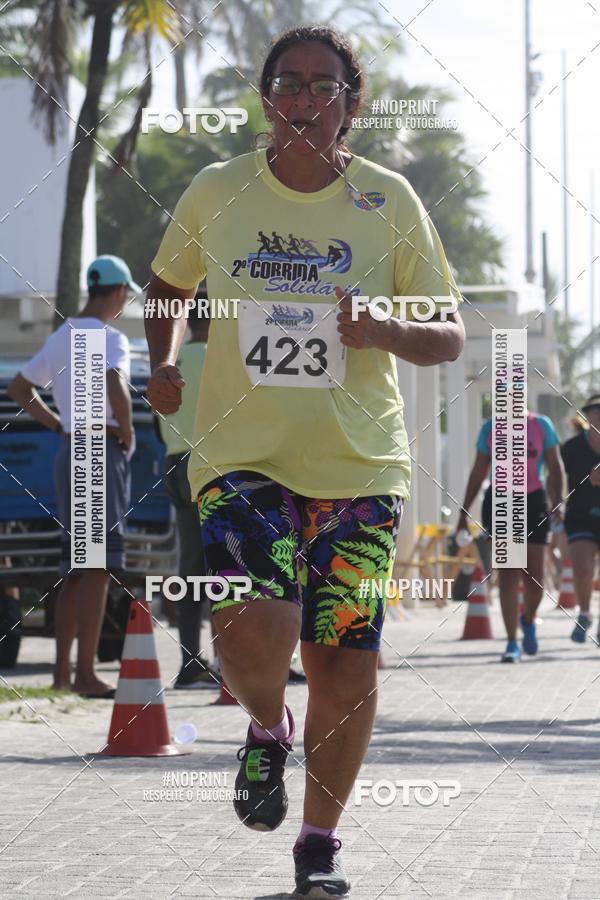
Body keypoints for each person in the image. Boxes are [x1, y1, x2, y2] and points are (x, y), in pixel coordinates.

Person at [145, 25, 464, 897]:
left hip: (359, 465)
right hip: (242, 454)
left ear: (350, 105)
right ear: (265, 96)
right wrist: (163, 362)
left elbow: (448, 335)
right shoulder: (218, 190)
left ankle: (318, 846)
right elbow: (168, 288)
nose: (305, 99)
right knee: (253, 631)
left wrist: (380, 329)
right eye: (289, 83)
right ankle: (265, 724)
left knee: (344, 660)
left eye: (325, 87)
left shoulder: (388, 200)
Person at [7, 255, 138, 697]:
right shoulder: (110, 337)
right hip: (101, 446)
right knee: (97, 567)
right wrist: (128, 429)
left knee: (75, 567)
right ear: (118, 292)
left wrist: (59, 424)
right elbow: (115, 383)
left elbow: (19, 389)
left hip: (71, 447)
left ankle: (62, 674)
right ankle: (86, 675)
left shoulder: (62, 336)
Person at [457, 409, 563, 663]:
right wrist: (463, 511)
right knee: (509, 574)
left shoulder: (541, 424)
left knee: (534, 579)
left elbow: (555, 466)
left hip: (534, 500)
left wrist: (559, 500)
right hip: (501, 502)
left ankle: (527, 620)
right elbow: (478, 472)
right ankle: (511, 642)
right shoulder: (490, 428)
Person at [157, 294, 216, 688]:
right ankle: (237, 663)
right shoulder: (221, 359)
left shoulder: (171, 364)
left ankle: (190, 661)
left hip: (176, 464)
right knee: (232, 568)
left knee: (190, 567)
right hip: (214, 465)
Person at [560, 395, 600, 643]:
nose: (599, 413)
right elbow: (554, 474)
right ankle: (584, 614)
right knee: (583, 569)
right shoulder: (572, 447)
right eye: (594, 409)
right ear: (586, 415)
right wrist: (553, 502)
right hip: (580, 514)